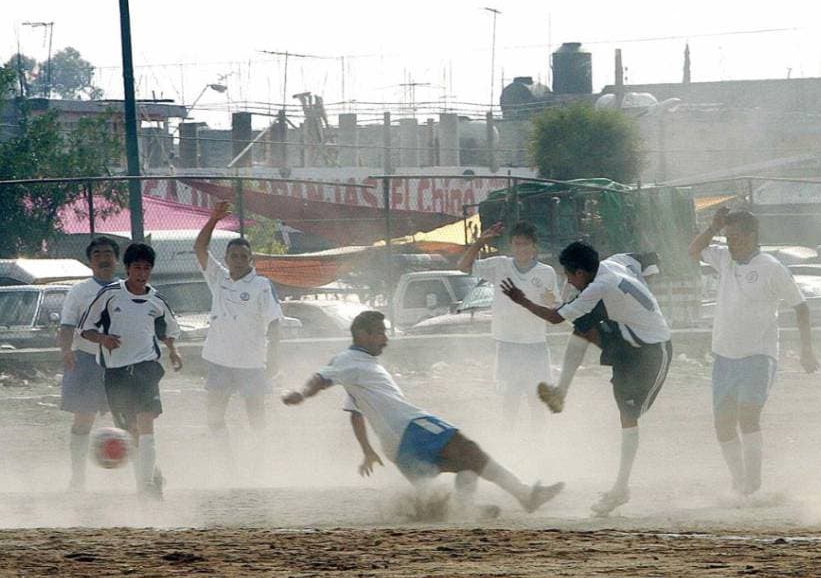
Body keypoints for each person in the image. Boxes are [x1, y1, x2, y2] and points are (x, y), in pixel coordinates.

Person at [280, 311, 564, 515]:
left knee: (467, 466)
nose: (385, 339)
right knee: (471, 450)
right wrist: (302, 394)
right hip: (411, 428)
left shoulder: (362, 368)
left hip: (397, 448)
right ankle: (525, 495)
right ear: (362, 334)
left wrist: (367, 450)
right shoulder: (348, 360)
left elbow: (356, 413)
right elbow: (320, 378)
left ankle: (463, 510)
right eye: (380, 333)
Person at [500, 241, 672, 516]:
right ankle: (560, 392)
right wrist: (645, 287)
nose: (568, 281)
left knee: (628, 417)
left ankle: (620, 489)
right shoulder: (617, 261)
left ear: (580, 272)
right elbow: (650, 257)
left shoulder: (598, 286)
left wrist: (522, 300)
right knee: (583, 326)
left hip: (651, 351)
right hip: (627, 339)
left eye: (569, 275)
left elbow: (555, 318)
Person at [688, 207, 819, 497]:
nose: (730, 243)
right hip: (724, 355)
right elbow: (694, 250)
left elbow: (801, 307)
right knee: (723, 424)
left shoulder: (771, 268)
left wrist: (806, 350)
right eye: (727, 237)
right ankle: (740, 482)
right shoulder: (724, 259)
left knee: (747, 416)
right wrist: (712, 228)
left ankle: (753, 482)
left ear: (751, 236)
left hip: (758, 355)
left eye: (735, 237)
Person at [79, 243, 183, 499]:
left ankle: (145, 488)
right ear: (127, 269)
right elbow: (86, 329)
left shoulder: (157, 300)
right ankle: (151, 474)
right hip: (116, 372)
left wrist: (173, 351)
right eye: (137, 268)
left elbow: (168, 331)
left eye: (147, 268)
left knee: (145, 423)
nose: (142, 273)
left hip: (146, 368)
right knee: (130, 433)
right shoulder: (110, 295)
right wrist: (103, 339)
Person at [193, 200, 283, 456]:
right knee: (214, 416)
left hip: (251, 362)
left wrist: (274, 357)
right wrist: (213, 219)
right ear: (226, 258)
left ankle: (261, 460)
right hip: (219, 359)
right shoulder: (218, 277)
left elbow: (275, 323)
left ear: (251, 259)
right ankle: (226, 461)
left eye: (244, 256)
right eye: (234, 256)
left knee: (256, 416)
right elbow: (200, 247)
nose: (239, 260)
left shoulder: (261, 285)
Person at [457, 221, 558, 424]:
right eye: (517, 244)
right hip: (507, 342)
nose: (521, 249)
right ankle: (509, 435)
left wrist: (550, 303)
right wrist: (479, 242)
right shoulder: (500, 265)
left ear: (534, 246)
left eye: (525, 244)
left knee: (536, 396)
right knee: (510, 395)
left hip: (535, 343)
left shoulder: (546, 272)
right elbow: (463, 266)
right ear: (511, 246)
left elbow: (554, 308)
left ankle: (538, 438)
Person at [58, 236, 121, 491]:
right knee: (84, 419)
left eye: (108, 254)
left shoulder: (128, 289)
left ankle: (143, 474)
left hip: (121, 362)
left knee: (131, 419)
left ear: (116, 259)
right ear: (90, 261)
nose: (103, 258)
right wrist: (66, 350)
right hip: (87, 359)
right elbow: (67, 325)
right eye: (97, 254)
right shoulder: (79, 291)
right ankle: (78, 477)